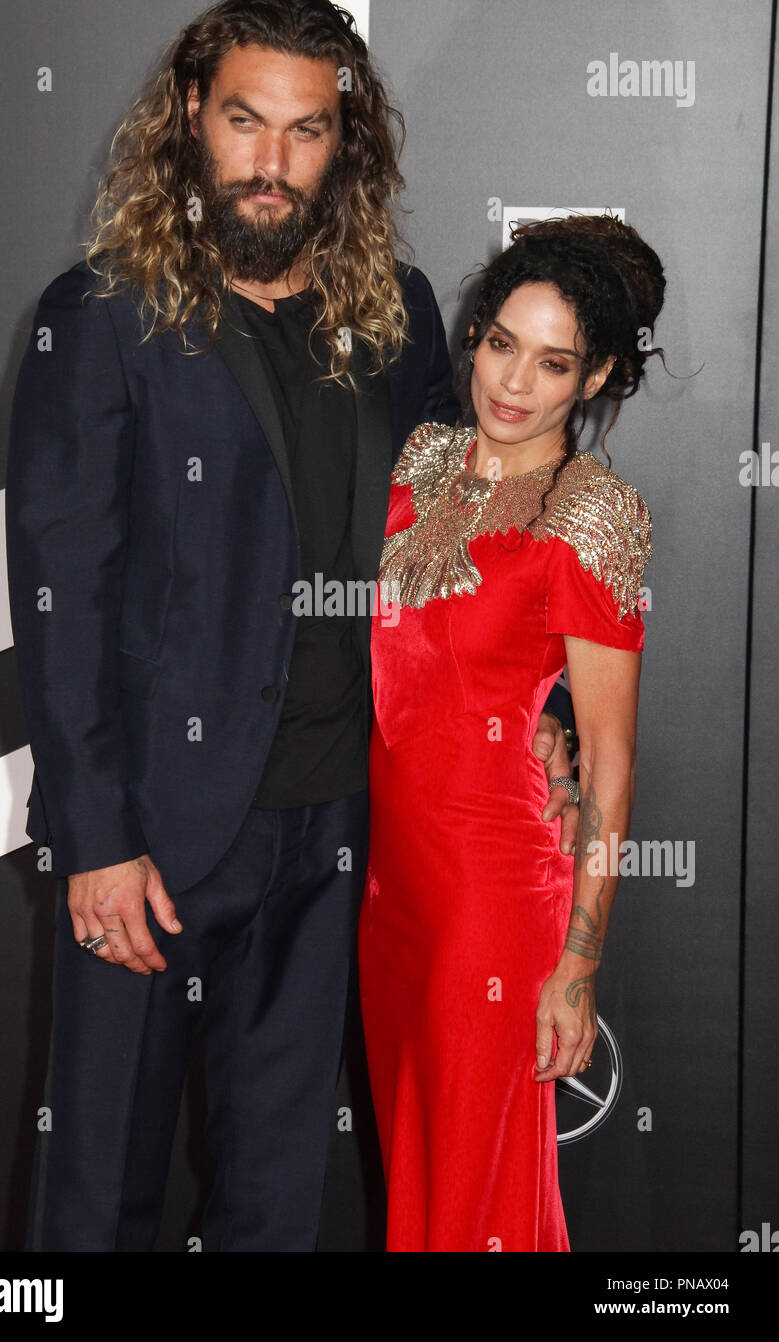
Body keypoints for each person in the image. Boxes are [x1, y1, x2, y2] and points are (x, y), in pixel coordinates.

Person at [5, 0, 576, 1253]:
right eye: (245, 123)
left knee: (275, 1202)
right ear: (191, 123)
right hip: (149, 840)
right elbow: (64, 597)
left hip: (339, 835)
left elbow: (465, 549)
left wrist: (538, 715)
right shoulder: (99, 317)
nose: (270, 164)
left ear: (345, 144)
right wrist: (96, 837)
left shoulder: (399, 316)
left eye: (305, 131)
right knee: (98, 1193)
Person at [358, 213, 665, 1252]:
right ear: (476, 333)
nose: (514, 383)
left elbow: (612, 767)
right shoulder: (419, 459)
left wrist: (578, 963)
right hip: (392, 894)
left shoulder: (590, 516)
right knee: (419, 1171)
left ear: (595, 378)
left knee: (479, 1192)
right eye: (501, 344)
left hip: (495, 901)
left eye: (553, 363)